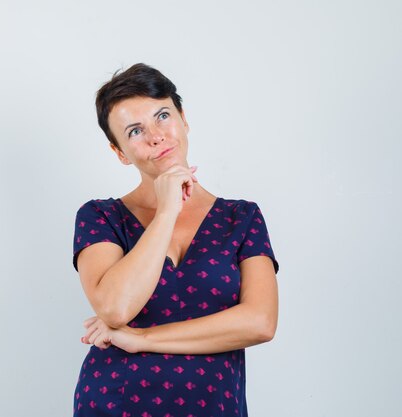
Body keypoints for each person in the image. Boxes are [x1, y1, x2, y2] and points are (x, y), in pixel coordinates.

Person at [71, 63, 280, 417]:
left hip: (215, 406)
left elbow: (260, 323)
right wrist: (167, 210)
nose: (156, 136)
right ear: (120, 152)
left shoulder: (241, 218)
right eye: (135, 131)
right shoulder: (100, 216)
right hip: (116, 403)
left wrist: (141, 339)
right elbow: (116, 308)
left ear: (183, 119)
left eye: (163, 115)